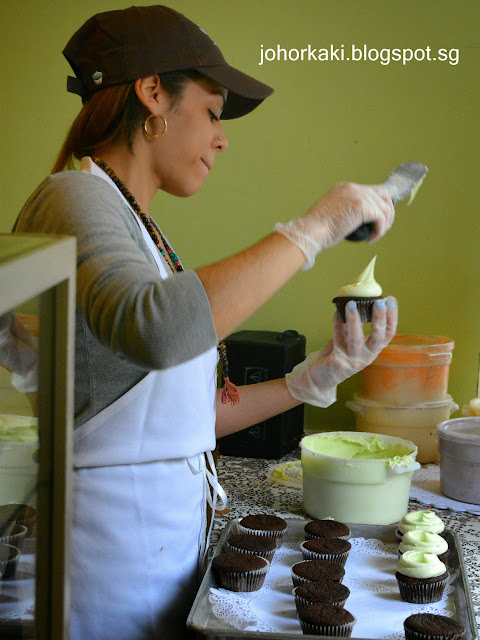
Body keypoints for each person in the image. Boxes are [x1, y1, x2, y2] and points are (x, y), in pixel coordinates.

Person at [13, 5, 398, 639]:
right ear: (152, 91)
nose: (222, 138)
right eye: (214, 113)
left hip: (159, 546)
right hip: (109, 564)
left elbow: (177, 420)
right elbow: (158, 328)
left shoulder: (136, 227)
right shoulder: (73, 196)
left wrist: (313, 379)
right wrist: (312, 230)